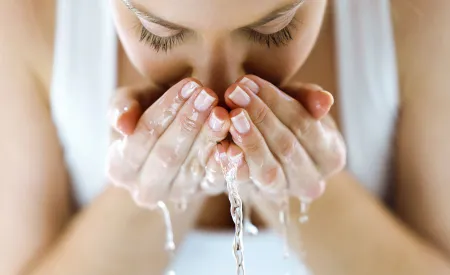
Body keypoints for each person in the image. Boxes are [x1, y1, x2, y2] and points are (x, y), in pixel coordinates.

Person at [1, 0, 450, 274]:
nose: (218, 88)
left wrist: (299, 186)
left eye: (274, 29)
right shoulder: (26, 20)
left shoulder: (420, 16)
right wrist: (149, 192)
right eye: (160, 33)